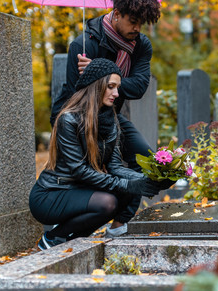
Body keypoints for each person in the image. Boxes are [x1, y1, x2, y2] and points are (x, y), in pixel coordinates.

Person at [30, 58, 170, 250]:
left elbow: (115, 167)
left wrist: (148, 180)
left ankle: (75, 241)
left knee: (127, 191)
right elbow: (79, 170)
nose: (117, 93)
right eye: (111, 86)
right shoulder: (68, 119)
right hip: (52, 194)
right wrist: (130, 184)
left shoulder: (110, 118)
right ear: (96, 85)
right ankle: (53, 238)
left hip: (81, 191)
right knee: (108, 202)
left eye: (117, 87)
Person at [51, 0, 162, 236]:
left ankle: (120, 223)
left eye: (141, 23)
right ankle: (63, 230)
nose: (137, 29)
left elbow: (139, 87)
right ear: (116, 14)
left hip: (110, 116)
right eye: (133, 22)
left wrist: (102, 71)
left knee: (147, 161)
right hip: (75, 117)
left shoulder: (140, 45)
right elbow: (75, 96)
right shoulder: (83, 45)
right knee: (80, 172)